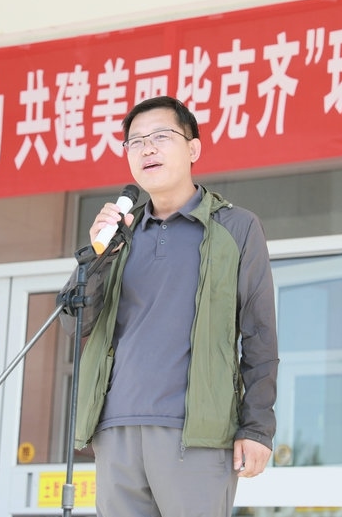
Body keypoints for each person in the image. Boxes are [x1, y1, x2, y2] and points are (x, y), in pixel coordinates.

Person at [59, 95, 278, 517]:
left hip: (196, 432)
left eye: (161, 137)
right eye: (136, 142)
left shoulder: (236, 227)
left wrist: (257, 428)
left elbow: (259, 334)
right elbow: (74, 322)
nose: (147, 149)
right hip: (115, 428)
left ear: (193, 148)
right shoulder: (120, 237)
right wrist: (99, 255)